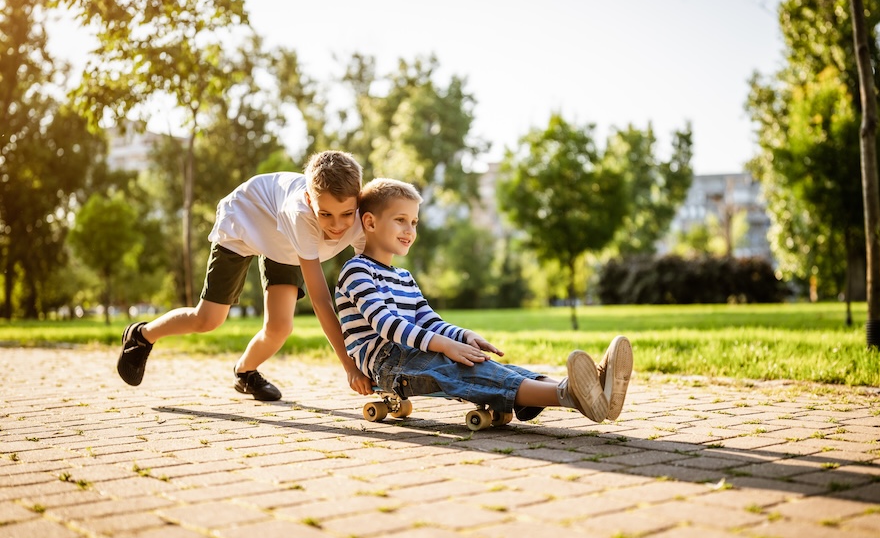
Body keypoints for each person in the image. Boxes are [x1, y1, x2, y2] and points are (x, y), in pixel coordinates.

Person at [334, 178, 633, 424]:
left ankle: (595, 390)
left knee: (499, 369)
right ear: (370, 222)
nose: (410, 231)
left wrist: (462, 336)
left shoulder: (404, 277)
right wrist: (446, 345)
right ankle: (573, 395)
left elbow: (429, 321)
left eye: (414, 222)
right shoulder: (356, 270)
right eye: (400, 220)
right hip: (389, 363)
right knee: (473, 372)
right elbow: (386, 325)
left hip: (415, 352)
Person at [117, 150, 374, 401]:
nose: (337, 225)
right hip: (245, 220)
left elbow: (372, 280)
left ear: (358, 200)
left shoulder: (365, 219)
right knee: (208, 319)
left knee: (280, 328)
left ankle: (245, 372)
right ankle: (141, 336)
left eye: (346, 214)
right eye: (325, 214)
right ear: (309, 200)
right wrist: (349, 366)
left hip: (284, 245)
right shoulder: (300, 216)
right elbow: (320, 300)